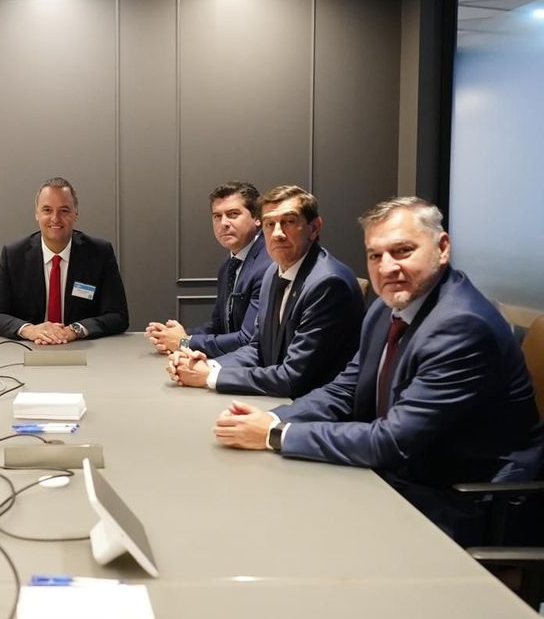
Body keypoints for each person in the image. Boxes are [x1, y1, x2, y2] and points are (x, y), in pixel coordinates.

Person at [212, 197, 543, 542]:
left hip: (464, 505)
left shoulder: (462, 326)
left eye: (402, 251)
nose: (387, 268)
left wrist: (274, 436)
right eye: (375, 255)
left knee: (292, 533)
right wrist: (275, 419)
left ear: (442, 248)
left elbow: (392, 441)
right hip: (406, 478)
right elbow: (346, 389)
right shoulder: (389, 308)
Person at [168, 185, 363, 398]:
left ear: (314, 228)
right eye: (270, 224)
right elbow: (257, 348)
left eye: (289, 222)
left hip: (314, 409)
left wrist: (208, 377)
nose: (277, 233)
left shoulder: (328, 283)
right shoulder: (273, 272)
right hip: (276, 396)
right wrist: (207, 365)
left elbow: (293, 378)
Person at [0, 177, 129, 344]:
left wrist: (75, 330)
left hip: (84, 352)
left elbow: (118, 316)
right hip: (29, 350)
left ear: (76, 213)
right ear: (36, 214)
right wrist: (30, 330)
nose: (55, 218)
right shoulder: (14, 255)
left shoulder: (99, 253)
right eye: (47, 210)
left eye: (64, 210)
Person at [146, 181, 270, 357]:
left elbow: (247, 339)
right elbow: (218, 325)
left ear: (257, 218)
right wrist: (174, 336)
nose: (223, 223)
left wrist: (183, 342)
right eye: (217, 216)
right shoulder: (227, 266)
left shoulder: (268, 266)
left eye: (233, 214)